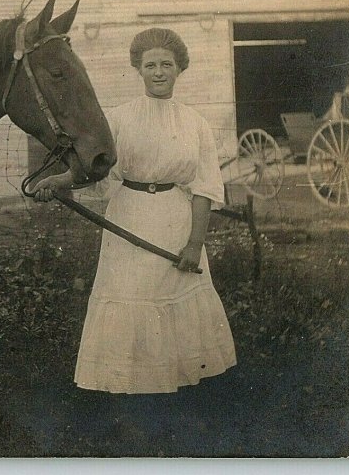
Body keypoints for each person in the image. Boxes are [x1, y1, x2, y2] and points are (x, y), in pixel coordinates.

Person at [32, 27, 236, 394]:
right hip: (128, 218)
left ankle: (178, 382)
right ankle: (130, 390)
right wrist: (59, 182)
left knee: (175, 300)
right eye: (150, 65)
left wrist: (194, 244)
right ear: (138, 69)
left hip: (177, 221)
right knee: (131, 298)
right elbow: (93, 169)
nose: (159, 72)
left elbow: (204, 190)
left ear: (179, 69)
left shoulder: (196, 124)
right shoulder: (119, 119)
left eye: (167, 65)